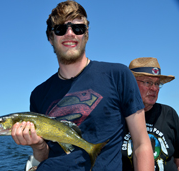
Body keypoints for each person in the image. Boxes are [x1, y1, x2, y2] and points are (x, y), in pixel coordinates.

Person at [11, 1, 154, 171]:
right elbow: (43, 157)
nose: (70, 34)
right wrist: (38, 146)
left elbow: (141, 144)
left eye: (78, 28)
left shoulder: (118, 75)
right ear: (50, 38)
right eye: (60, 29)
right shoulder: (38, 94)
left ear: (86, 35)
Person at [122, 57, 179, 171]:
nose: (154, 88)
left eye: (157, 84)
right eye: (148, 82)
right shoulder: (117, 115)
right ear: (131, 84)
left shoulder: (169, 114)